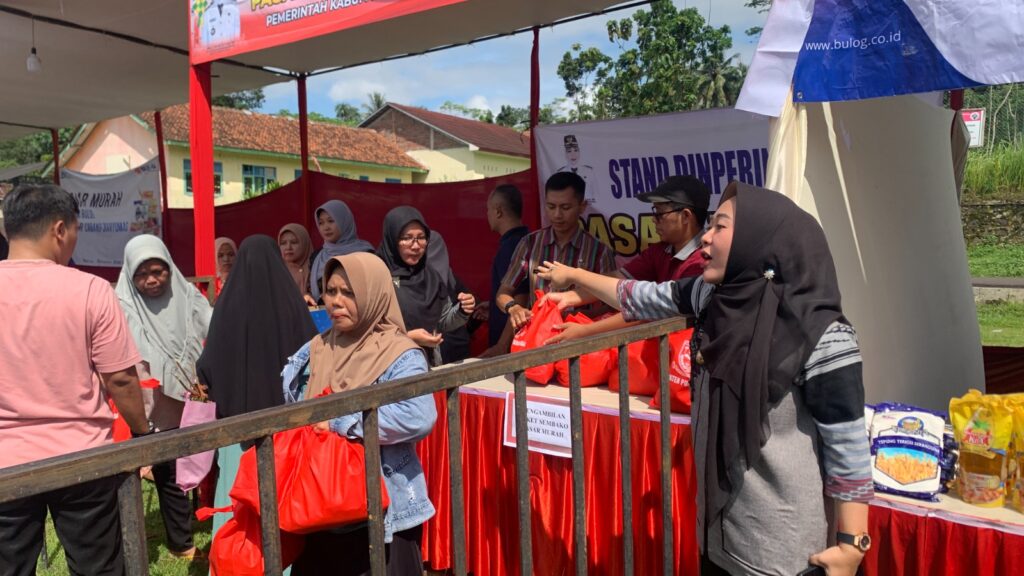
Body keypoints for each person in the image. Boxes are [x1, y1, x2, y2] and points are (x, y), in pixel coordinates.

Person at [537, 181, 873, 576]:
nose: (707, 237)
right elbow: (639, 295)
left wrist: (852, 544)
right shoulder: (714, 299)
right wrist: (575, 277)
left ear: (758, 239)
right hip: (717, 538)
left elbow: (847, 443)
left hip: (782, 555)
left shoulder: (824, 334)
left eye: (719, 226)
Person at [0, 184, 149, 575]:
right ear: (60, 229)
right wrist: (142, 431)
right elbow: (120, 380)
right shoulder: (91, 290)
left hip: (5, 459)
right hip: (82, 455)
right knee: (96, 566)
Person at [283, 252, 437, 576]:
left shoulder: (399, 354)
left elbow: (419, 415)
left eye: (349, 292)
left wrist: (341, 422)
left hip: (382, 509)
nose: (336, 301)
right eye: (331, 291)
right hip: (321, 504)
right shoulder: (317, 347)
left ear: (373, 294)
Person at [196, 235, 318, 541]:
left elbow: (208, 367)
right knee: (284, 499)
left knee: (236, 503)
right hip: (286, 432)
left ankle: (237, 554)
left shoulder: (226, 308)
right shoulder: (292, 305)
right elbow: (312, 358)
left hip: (237, 432)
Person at [116, 234, 212, 560]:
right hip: (146, 403)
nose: (152, 280)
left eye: (159, 271)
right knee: (162, 471)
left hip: (191, 396)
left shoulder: (187, 295)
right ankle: (176, 541)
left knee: (192, 463)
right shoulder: (121, 307)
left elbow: (213, 327)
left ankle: (197, 524)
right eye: (142, 274)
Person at [546, 175, 710, 344]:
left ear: (686, 216)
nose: (653, 219)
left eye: (660, 213)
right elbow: (617, 279)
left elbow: (648, 308)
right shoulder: (660, 250)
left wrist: (587, 331)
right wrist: (570, 296)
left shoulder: (703, 263)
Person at [496, 171, 617, 330]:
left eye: (565, 207)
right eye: (551, 207)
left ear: (582, 206)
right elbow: (503, 293)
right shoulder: (529, 243)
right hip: (538, 335)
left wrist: (576, 317)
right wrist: (514, 308)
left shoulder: (599, 252)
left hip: (581, 337)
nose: (557, 215)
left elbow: (612, 305)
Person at [378, 206, 475, 366]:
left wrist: (462, 310)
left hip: (427, 365)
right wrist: (408, 337)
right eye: (407, 238)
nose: (416, 246)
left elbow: (442, 321)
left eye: (421, 238)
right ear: (392, 239)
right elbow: (367, 334)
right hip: (389, 368)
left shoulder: (430, 276)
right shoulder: (377, 276)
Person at [479, 184, 530, 357]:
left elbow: (521, 297)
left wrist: (502, 345)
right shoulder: (526, 239)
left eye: (488, 209)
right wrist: (494, 307)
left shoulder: (511, 247)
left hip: (512, 350)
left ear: (498, 212)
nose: (487, 214)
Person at [309, 200, 375, 303]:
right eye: (321, 223)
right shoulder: (317, 256)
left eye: (331, 221)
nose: (326, 227)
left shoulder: (365, 254)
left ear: (344, 221)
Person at [278, 223, 314, 301]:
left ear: (304, 243)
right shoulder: (276, 271)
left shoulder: (317, 267)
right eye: (283, 243)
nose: (288, 247)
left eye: (294, 242)